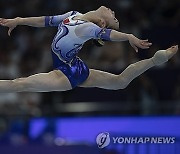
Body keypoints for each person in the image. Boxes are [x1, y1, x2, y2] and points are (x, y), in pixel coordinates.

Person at [0, 6, 178, 92]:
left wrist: (128, 36)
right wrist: (20, 20)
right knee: (120, 82)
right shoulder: (73, 16)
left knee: (19, 84)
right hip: (76, 66)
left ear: (101, 22)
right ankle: (155, 60)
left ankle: (156, 60)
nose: (113, 13)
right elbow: (46, 20)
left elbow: (108, 34)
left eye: (113, 18)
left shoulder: (86, 28)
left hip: (65, 74)